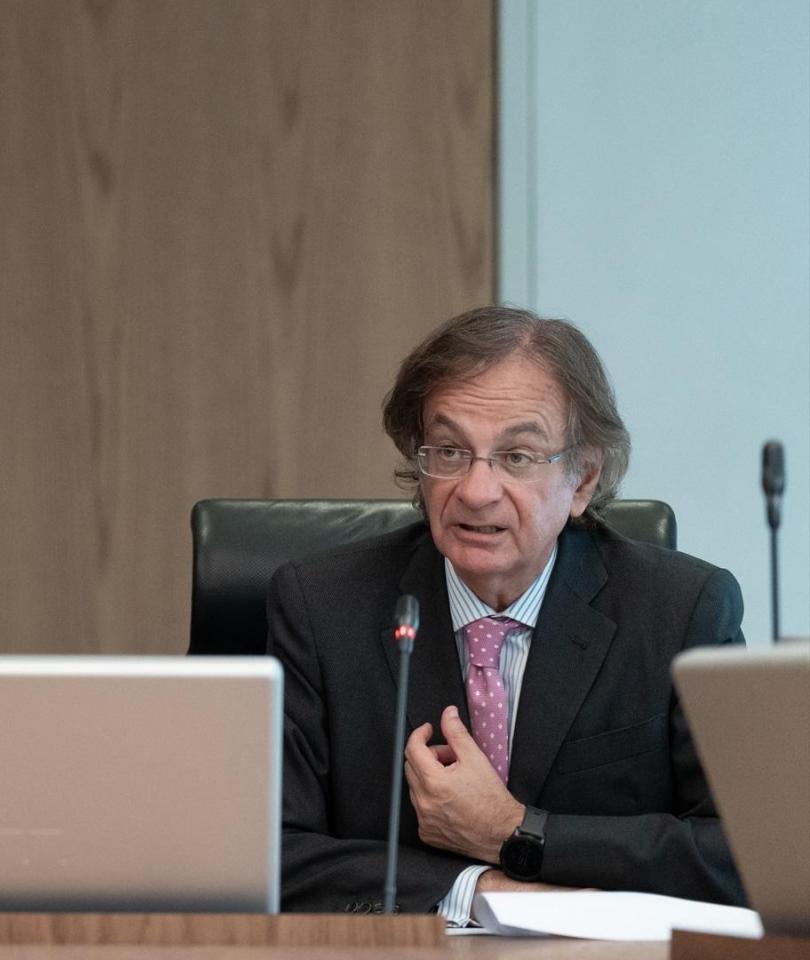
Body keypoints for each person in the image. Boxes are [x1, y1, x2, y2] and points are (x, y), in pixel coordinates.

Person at [268, 305, 744, 920]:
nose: (475, 490)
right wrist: (480, 891)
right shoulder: (322, 607)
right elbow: (270, 854)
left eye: (517, 457)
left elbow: (739, 855)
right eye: (448, 450)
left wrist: (516, 831)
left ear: (582, 479)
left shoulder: (680, 613)